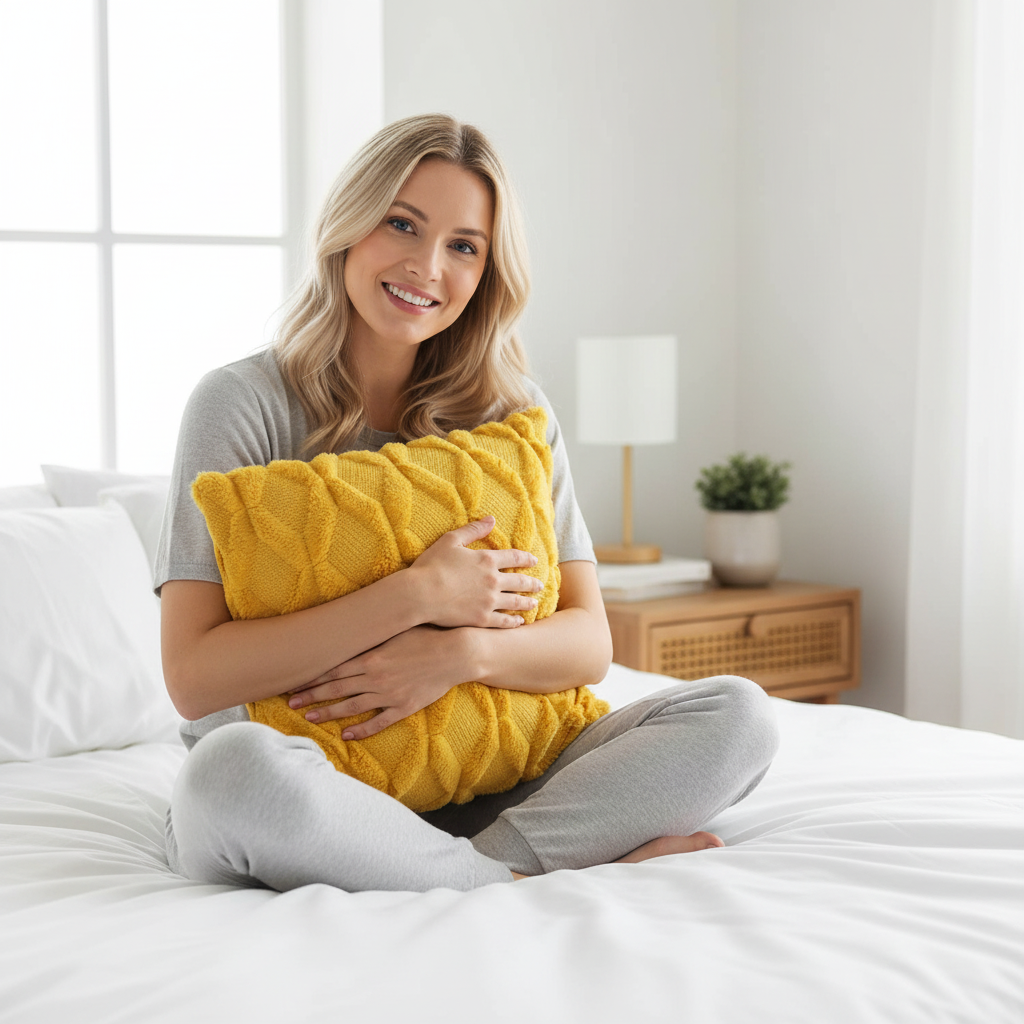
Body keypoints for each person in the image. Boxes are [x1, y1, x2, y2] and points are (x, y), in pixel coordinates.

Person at [156, 113, 779, 892]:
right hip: (315, 787)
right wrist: (416, 595)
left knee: (739, 716)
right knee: (228, 775)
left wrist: (457, 655)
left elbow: (588, 643)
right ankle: (514, 880)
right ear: (349, 225)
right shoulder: (240, 403)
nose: (426, 267)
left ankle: (474, 871)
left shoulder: (513, 414)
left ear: (487, 271)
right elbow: (194, 676)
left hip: (497, 787)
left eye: (463, 246)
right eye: (402, 224)